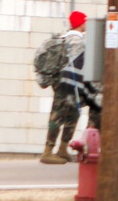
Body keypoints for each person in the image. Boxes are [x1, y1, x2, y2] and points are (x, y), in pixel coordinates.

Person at [41, 11, 100, 165]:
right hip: (68, 83)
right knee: (60, 116)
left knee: (71, 115)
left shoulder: (65, 38)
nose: (86, 23)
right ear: (80, 23)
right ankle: (48, 151)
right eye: (84, 21)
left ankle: (62, 149)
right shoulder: (76, 41)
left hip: (63, 83)